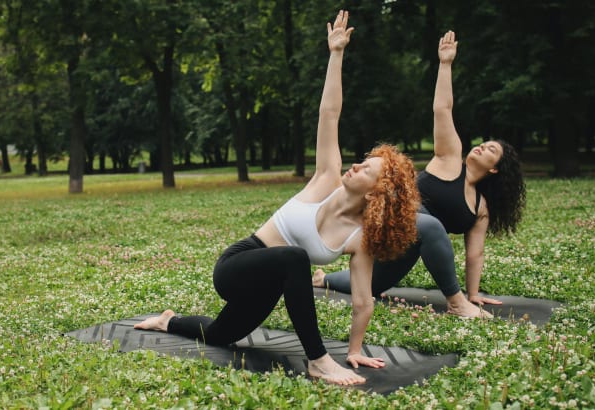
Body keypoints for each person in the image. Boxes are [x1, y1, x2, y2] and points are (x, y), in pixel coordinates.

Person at [134, 10, 421, 386]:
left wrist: (354, 350)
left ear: (377, 193)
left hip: (272, 282)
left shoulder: (359, 238)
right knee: (296, 257)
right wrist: (336, 55)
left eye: (367, 169)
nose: (355, 165)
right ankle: (317, 361)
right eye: (361, 161)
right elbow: (329, 114)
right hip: (238, 264)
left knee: (222, 334)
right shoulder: (325, 179)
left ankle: (166, 319)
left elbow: (363, 300)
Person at [314, 30, 526, 318]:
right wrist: (446, 65)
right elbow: (442, 109)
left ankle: (323, 279)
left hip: (404, 247)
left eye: (490, 150)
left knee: (373, 283)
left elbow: (475, 253)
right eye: (482, 143)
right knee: (431, 225)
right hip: (387, 222)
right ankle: (455, 303)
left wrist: (475, 293)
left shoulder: (480, 208)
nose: (480, 147)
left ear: (495, 169)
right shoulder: (450, 158)